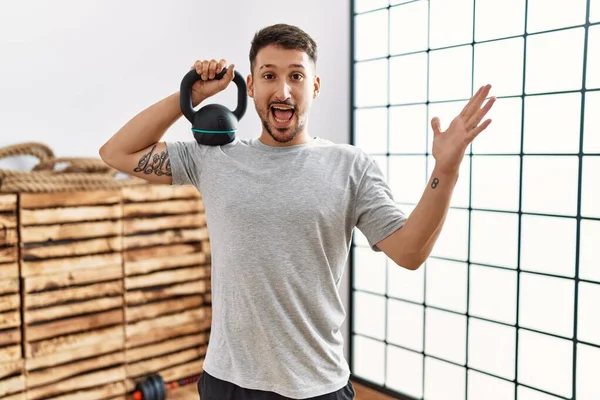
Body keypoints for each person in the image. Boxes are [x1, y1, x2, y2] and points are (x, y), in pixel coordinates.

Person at [99, 23, 495, 400]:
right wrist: (192, 95)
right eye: (269, 76)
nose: (283, 90)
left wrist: (446, 168)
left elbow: (410, 252)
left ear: (315, 86)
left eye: (297, 76)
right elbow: (117, 152)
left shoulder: (350, 166)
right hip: (228, 381)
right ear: (250, 86)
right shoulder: (214, 158)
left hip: (317, 385)